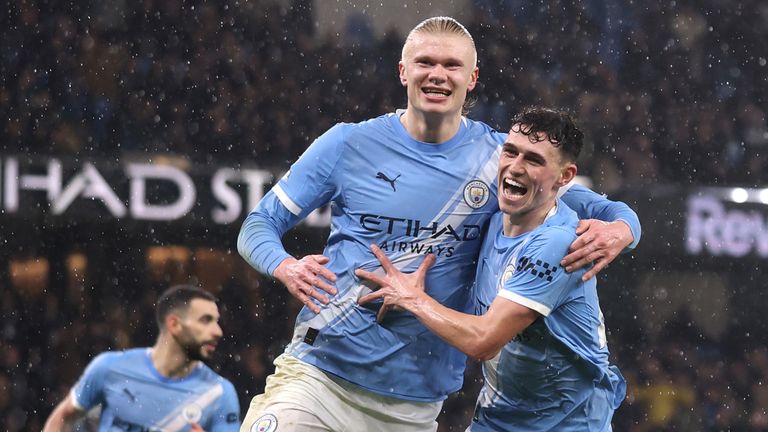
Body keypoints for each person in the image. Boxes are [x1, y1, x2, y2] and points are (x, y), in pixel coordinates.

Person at [237, 16, 641, 432]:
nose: (437, 75)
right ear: (403, 70)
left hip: (415, 408)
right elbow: (258, 224)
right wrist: (285, 266)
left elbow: (608, 209)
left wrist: (623, 232)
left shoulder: (501, 158)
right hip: (319, 379)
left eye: (452, 65)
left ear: (472, 78)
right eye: (425, 62)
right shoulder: (347, 143)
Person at [357, 107, 626, 430]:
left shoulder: (558, 243)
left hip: (567, 425)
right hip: (499, 420)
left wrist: (412, 298)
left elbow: (483, 341)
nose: (515, 167)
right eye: (510, 152)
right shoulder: (494, 214)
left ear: (564, 177)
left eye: (534, 160)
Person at [43, 285, 240, 432]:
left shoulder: (220, 393)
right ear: (174, 324)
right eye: (206, 320)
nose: (218, 331)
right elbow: (63, 417)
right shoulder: (109, 368)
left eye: (217, 322)